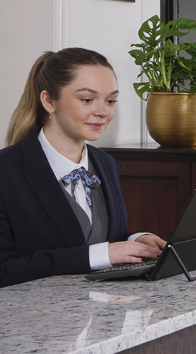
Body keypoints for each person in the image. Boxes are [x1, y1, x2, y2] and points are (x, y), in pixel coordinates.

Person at [0, 49, 166, 286]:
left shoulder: (105, 163)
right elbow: (4, 270)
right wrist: (99, 256)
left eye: (110, 101)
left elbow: (98, 236)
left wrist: (137, 239)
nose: (103, 112)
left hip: (103, 314)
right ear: (48, 101)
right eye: (87, 99)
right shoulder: (6, 171)